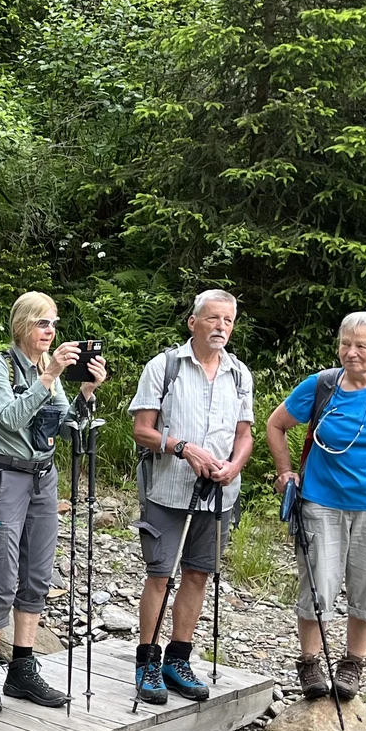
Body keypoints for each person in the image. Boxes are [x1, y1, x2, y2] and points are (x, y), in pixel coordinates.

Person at [264, 311, 366, 701]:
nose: (350, 352)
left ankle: (353, 663)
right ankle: (310, 662)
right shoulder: (321, 385)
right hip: (321, 502)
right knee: (317, 584)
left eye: (361, 346)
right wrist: (286, 472)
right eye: (345, 343)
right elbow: (276, 425)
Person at [0, 292, 107, 712]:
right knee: (3, 575)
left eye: (54, 324)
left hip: (43, 479)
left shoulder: (49, 370)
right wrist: (47, 376)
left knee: (37, 575)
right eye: (43, 323)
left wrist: (86, 392)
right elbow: (11, 418)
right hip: (2, 477)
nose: (50, 331)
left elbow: (65, 427)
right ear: (23, 325)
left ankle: (22, 670)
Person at [129, 290, 255, 703]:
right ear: (193, 322)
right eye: (213, 318)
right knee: (161, 575)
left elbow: (244, 436)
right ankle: (147, 662)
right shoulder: (165, 366)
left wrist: (234, 466)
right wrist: (183, 448)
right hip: (167, 489)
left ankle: (177, 660)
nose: (221, 327)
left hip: (218, 493)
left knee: (198, 574)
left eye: (228, 321)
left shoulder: (239, 374)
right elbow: (142, 431)